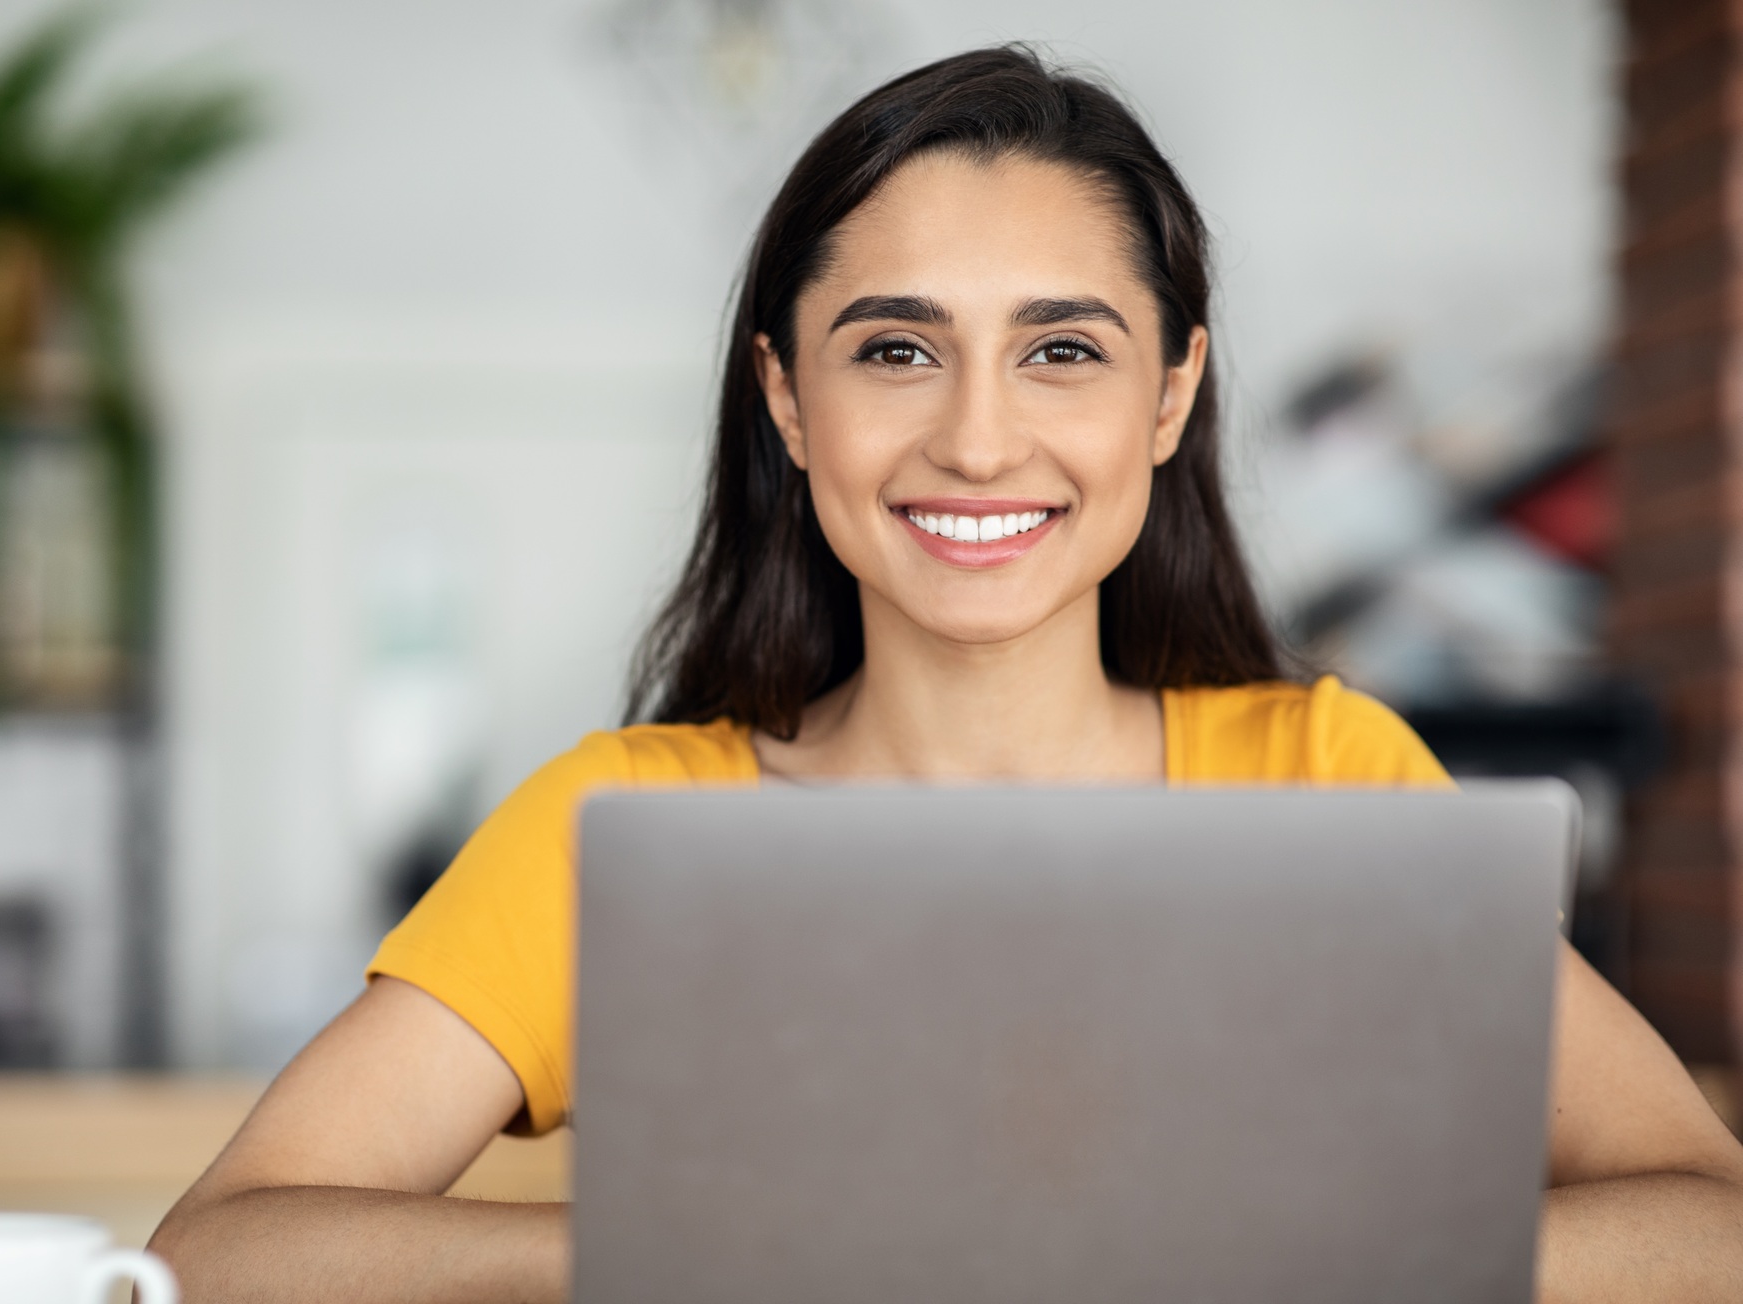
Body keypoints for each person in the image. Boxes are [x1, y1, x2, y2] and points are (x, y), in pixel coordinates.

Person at [151, 46, 1743, 1303]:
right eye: (895, 348)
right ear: (786, 397)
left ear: (1172, 394)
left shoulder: (1328, 783)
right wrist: (692, 1275)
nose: (979, 438)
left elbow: (1709, 1230)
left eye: (1064, 348)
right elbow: (210, 1260)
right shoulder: (618, 830)